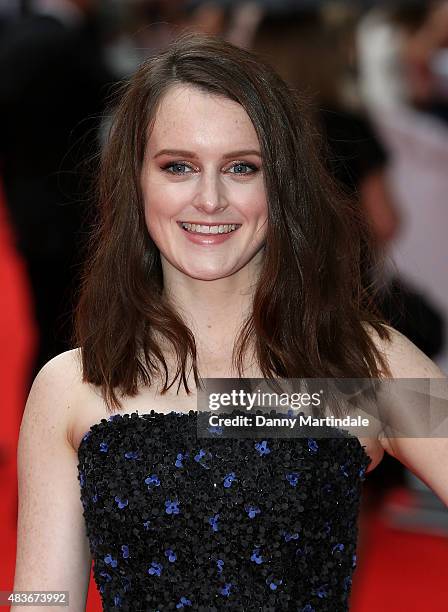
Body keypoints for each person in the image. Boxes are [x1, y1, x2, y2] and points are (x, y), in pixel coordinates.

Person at [12, 32, 447, 611]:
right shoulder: (72, 387)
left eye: (241, 167)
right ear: (136, 180)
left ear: (282, 184)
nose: (210, 199)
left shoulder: (357, 367)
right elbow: (40, 600)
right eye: (178, 167)